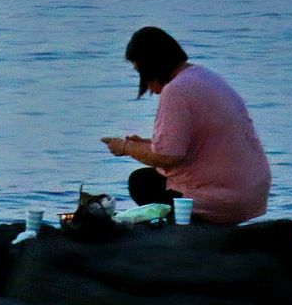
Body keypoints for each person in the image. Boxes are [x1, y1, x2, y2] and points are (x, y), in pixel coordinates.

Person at [101, 26, 271, 225]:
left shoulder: (176, 90)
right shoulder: (205, 76)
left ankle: (192, 229)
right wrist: (145, 145)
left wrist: (125, 147)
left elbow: (168, 156)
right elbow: (193, 146)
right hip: (251, 191)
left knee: (142, 182)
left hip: (223, 199)